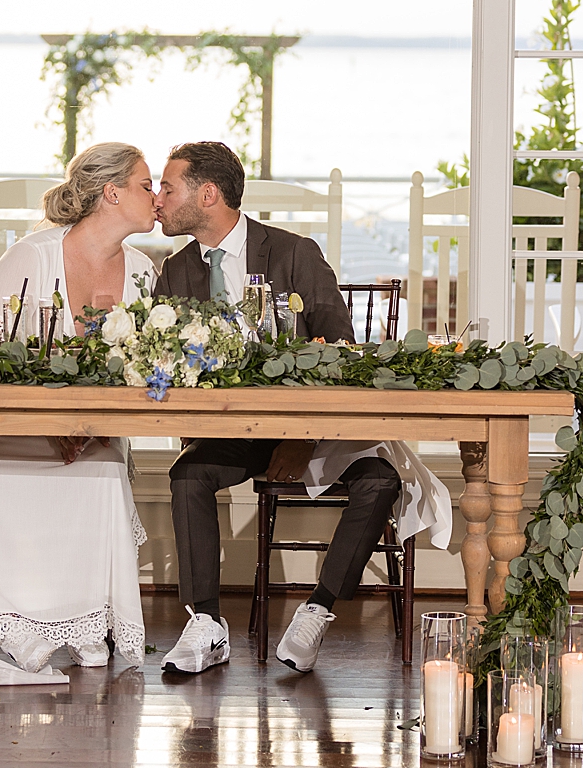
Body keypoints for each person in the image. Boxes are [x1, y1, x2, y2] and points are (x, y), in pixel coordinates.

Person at [152, 141, 452, 674]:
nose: (159, 199)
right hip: (237, 431)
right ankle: (206, 625)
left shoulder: (293, 253)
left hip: (318, 427)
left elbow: (338, 353)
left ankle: (317, 611)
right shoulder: (174, 274)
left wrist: (301, 436)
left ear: (207, 193)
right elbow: (171, 370)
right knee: (187, 475)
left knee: (380, 481)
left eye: (168, 187)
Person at [0, 142, 158, 674]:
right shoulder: (32, 255)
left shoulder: (143, 271)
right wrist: (50, 423)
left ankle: (79, 621)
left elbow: (138, 368)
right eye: (147, 186)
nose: (156, 198)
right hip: (11, 418)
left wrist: (89, 425)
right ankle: (6, 621)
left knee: (101, 469)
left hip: (95, 426)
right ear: (112, 192)